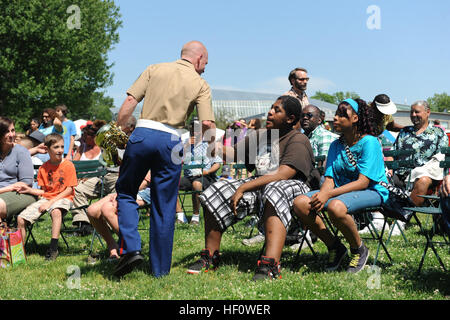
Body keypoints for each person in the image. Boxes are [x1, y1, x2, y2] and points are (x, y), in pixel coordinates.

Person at [187, 95, 320, 281]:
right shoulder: (260, 135)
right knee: (215, 190)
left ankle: (270, 264)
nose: (270, 112)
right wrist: (212, 141)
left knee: (275, 190)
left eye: (277, 110)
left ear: (290, 119)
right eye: (271, 108)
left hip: (293, 188)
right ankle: (210, 256)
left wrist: (244, 187)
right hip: (260, 185)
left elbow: (284, 174)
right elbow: (234, 153)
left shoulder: (297, 139)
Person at [113, 40, 215, 278]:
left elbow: (130, 102)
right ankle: (160, 271)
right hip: (173, 142)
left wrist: (117, 132)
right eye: (205, 64)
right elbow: (208, 124)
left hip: (143, 134)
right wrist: (207, 148)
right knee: (165, 204)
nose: (204, 68)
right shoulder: (200, 83)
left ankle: (131, 248)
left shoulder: (154, 68)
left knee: (127, 192)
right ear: (199, 59)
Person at [293, 98, 389, 274]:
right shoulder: (337, 145)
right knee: (300, 202)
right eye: (336, 114)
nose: (335, 118)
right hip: (343, 191)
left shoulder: (370, 142)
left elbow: (363, 182)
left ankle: (358, 249)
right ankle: (335, 247)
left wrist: (327, 195)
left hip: (372, 190)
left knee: (336, 207)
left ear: (355, 119)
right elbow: (329, 178)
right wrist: (322, 194)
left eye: (342, 115)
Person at [70, 116, 136, 235]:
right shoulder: (112, 140)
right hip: (102, 176)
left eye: (122, 125)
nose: (118, 127)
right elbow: (103, 162)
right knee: (77, 190)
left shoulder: (135, 142)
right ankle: (84, 224)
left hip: (118, 177)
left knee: (112, 200)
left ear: (131, 128)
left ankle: (109, 225)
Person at [16, 133, 78, 261]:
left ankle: (53, 248)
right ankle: (19, 252)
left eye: (62, 147)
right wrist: (29, 189)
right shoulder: (44, 168)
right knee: (20, 219)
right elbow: (43, 192)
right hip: (47, 198)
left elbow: (69, 190)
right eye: (56, 147)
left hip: (64, 198)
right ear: (47, 149)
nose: (60, 150)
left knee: (56, 212)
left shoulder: (68, 165)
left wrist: (50, 203)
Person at [393, 100, 448, 207]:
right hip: (400, 175)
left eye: (417, 112)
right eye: (411, 112)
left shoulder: (438, 133)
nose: (413, 115)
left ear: (428, 112)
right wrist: (389, 170)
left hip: (426, 176)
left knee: (423, 180)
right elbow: (392, 152)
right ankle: (377, 218)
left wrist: (420, 171)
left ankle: (404, 215)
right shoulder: (404, 131)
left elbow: (441, 157)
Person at [86, 171, 151, 261]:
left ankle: (131, 247)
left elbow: (146, 182)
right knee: (92, 211)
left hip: (145, 190)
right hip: (126, 189)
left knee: (107, 209)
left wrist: (122, 193)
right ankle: (113, 245)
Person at [176, 119, 222, 225]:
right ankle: (180, 216)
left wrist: (207, 171)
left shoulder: (209, 143)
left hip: (206, 176)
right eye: (192, 130)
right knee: (171, 183)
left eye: (196, 129)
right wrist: (185, 146)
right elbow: (177, 160)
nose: (194, 132)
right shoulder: (185, 144)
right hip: (189, 176)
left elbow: (217, 163)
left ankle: (195, 217)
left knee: (196, 184)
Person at [0, 117, 36, 224]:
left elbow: (26, 183)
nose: (12, 135)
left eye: (13, 130)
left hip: (21, 193)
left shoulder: (21, 152)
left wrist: (7, 188)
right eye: (7, 132)